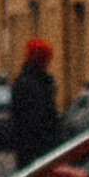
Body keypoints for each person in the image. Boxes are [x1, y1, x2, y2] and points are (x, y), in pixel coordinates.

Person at [10, 38, 60, 166]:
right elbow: (38, 119)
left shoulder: (26, 81)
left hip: (29, 148)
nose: (47, 61)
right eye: (45, 57)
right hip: (36, 150)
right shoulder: (33, 84)